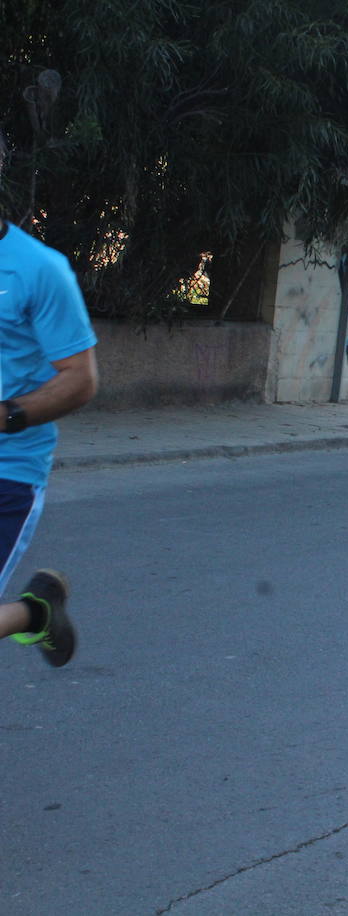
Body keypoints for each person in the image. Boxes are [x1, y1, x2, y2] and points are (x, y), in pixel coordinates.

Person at [0, 130, 99, 669]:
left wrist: (7, 415)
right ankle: (37, 614)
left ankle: (34, 615)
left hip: (7, 470)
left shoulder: (38, 269)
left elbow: (80, 379)